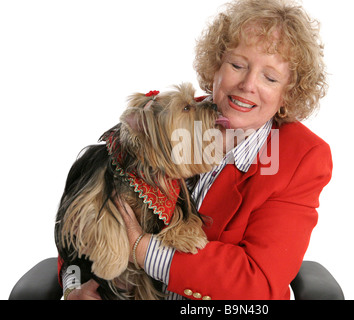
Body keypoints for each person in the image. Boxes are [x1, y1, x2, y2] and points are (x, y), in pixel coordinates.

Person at [65, 0, 332, 300]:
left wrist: (141, 249)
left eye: (270, 78)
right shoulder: (167, 119)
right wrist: (74, 285)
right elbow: (83, 209)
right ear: (215, 66)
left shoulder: (301, 159)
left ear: (287, 95)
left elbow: (256, 282)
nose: (247, 85)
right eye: (237, 65)